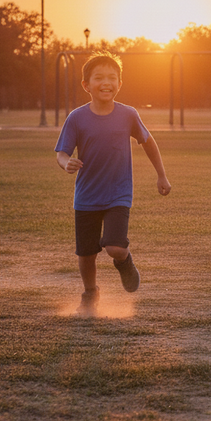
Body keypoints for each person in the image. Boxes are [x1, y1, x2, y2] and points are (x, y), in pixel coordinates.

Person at [55, 51, 171, 317]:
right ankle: (90, 293)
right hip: (86, 196)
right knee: (86, 254)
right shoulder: (77, 117)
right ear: (86, 85)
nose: (106, 83)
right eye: (99, 78)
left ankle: (125, 262)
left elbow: (148, 142)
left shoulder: (128, 114)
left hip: (118, 194)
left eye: (112, 77)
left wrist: (161, 175)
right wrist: (66, 163)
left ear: (119, 83)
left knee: (115, 247)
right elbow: (62, 153)